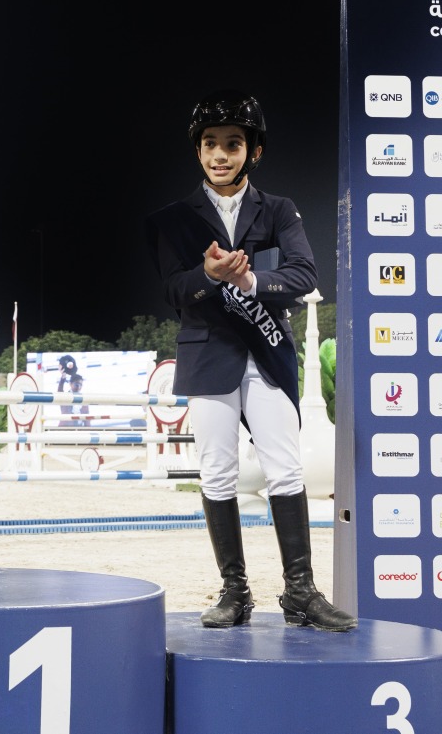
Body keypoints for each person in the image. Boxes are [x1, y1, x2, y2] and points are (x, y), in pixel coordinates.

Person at [144, 92, 356, 632]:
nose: (221, 154)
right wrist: (209, 278)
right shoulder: (173, 220)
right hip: (208, 353)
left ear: (253, 151)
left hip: (267, 354)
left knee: (286, 467)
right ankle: (234, 592)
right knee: (217, 472)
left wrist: (251, 281)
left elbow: (306, 275)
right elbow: (173, 290)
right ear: (198, 153)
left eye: (233, 144)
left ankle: (301, 592)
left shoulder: (280, 209)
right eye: (210, 144)